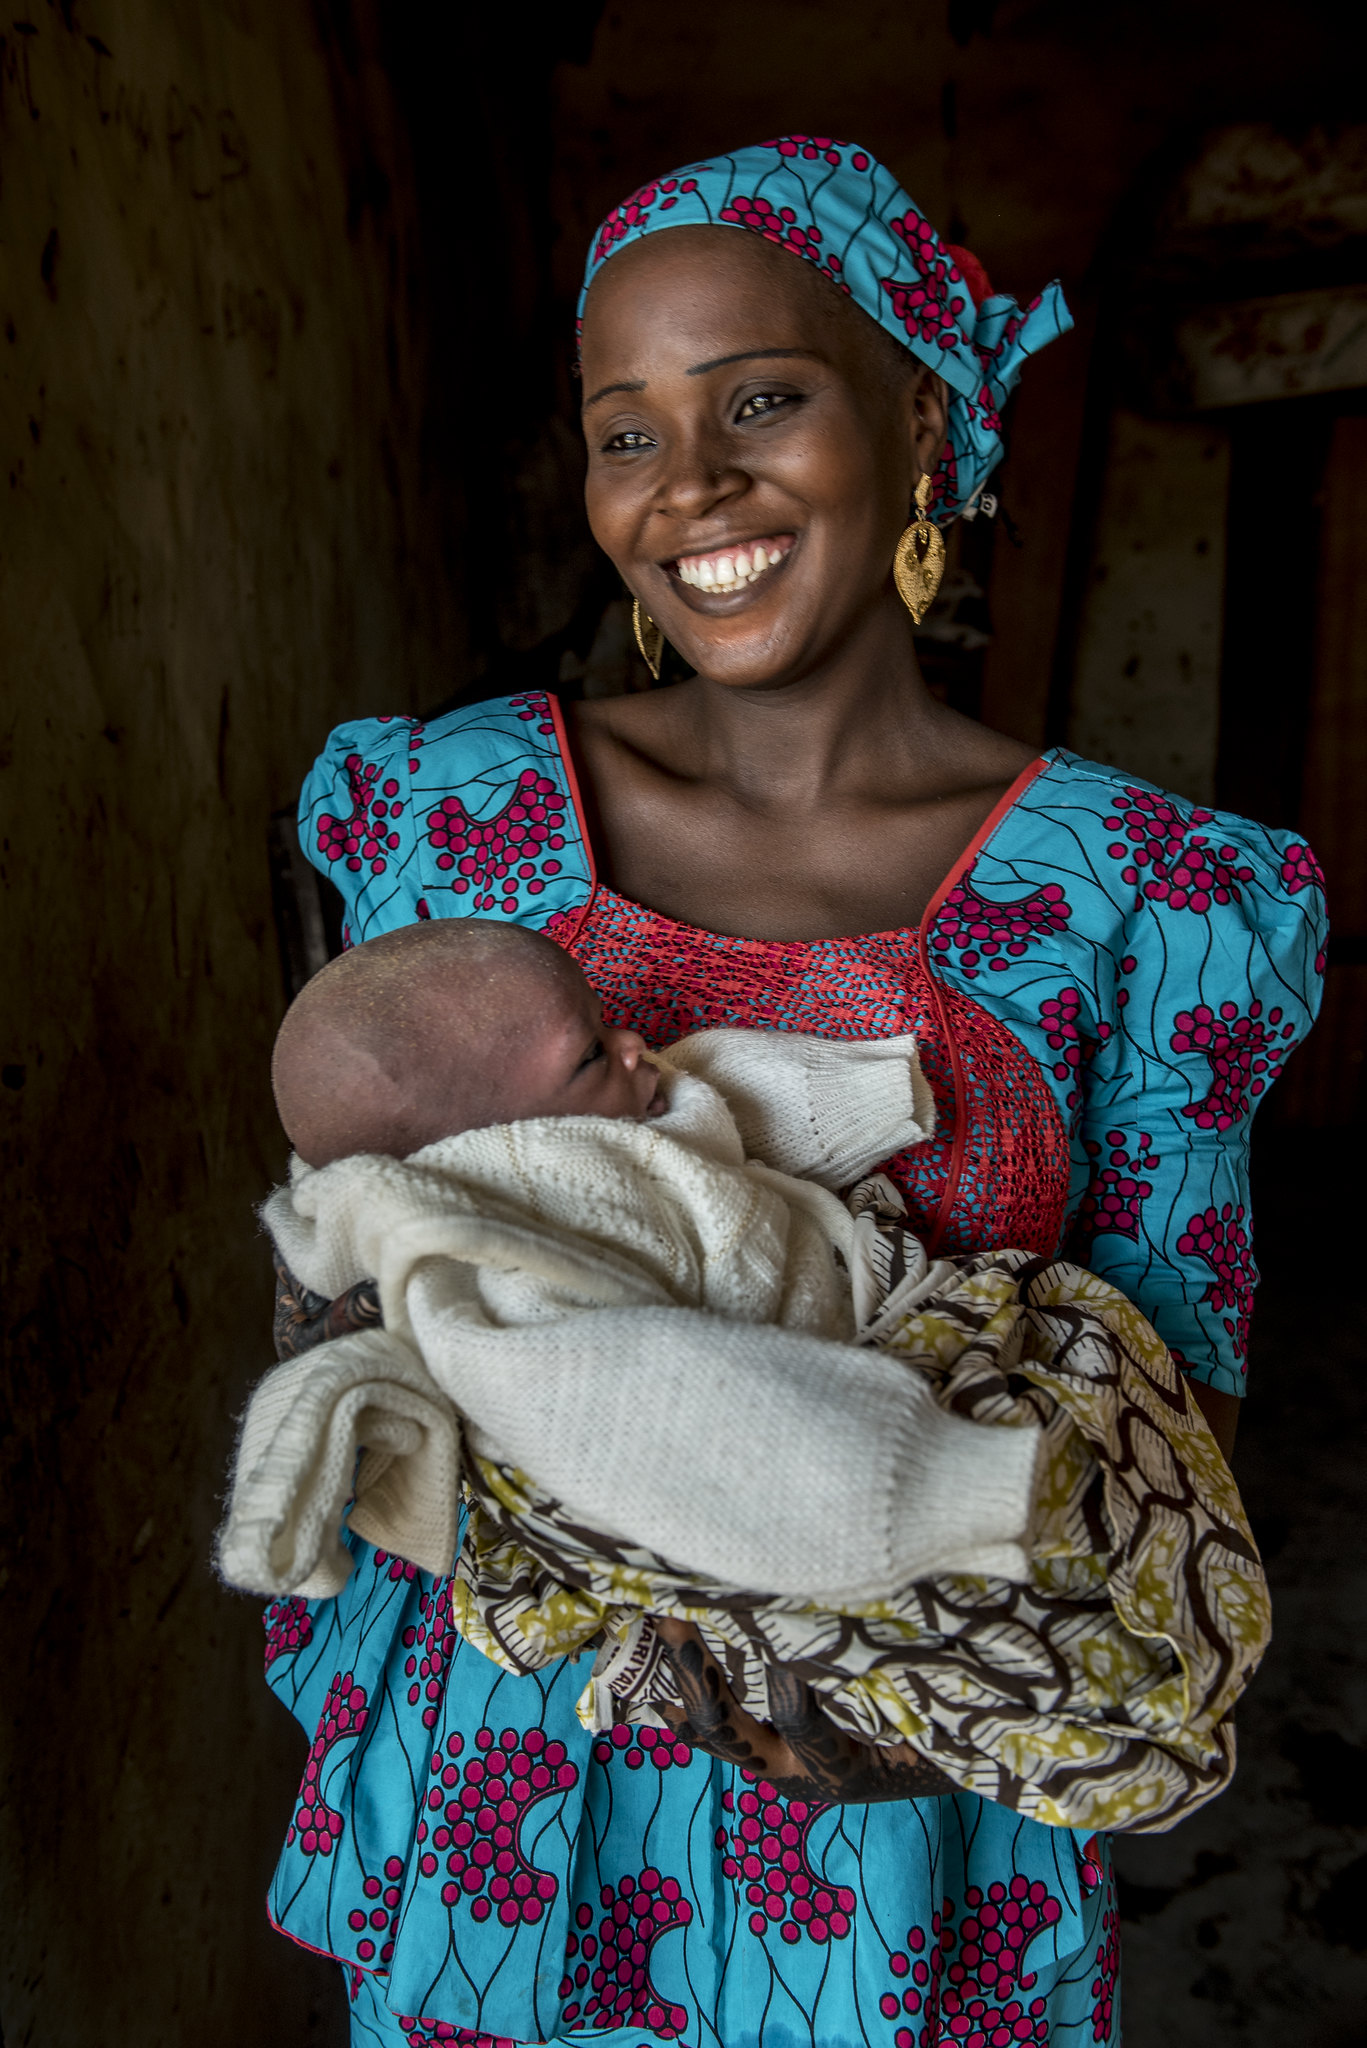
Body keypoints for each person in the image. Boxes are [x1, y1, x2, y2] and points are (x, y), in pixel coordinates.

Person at [260, 142, 1325, 2047]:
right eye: (624, 431)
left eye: (760, 397)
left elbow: (1177, 1406)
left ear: (921, 418)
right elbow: (349, 1271)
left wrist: (941, 1701)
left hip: (895, 1842)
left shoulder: (1144, 899)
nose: (689, 488)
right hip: (501, 1776)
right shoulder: (450, 815)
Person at [225, 917, 1266, 1843]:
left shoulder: (587, 1127)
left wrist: (870, 1095)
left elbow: (716, 1098)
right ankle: (1124, 1711)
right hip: (814, 1458)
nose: (634, 1041)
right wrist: (941, 1477)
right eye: (594, 1048)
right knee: (1002, 1626)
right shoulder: (504, 1269)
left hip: (866, 1327)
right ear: (479, 1136)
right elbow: (660, 1406)